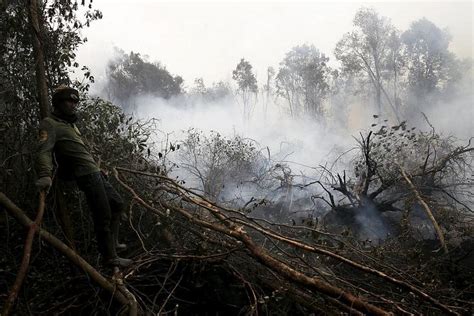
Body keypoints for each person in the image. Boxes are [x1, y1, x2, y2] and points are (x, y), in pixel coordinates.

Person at [34, 85, 132, 267]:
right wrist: (45, 174)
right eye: (69, 101)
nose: (73, 105)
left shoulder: (70, 124)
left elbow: (80, 150)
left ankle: (114, 244)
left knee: (117, 204)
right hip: (85, 175)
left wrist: (97, 166)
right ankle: (109, 257)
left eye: (75, 101)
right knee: (102, 214)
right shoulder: (49, 124)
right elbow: (43, 151)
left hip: (94, 172)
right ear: (58, 102)